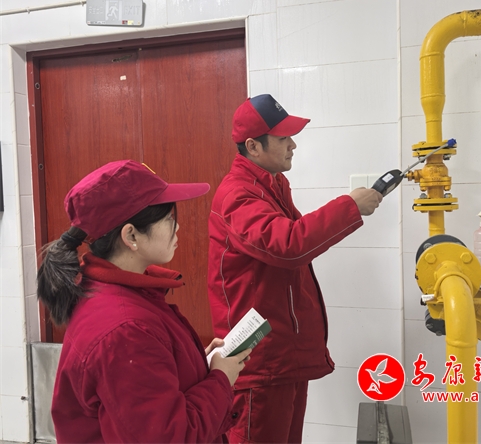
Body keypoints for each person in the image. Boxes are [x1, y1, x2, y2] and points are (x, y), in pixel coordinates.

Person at [207, 94, 383, 443]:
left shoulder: (272, 185)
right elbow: (289, 245)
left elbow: (298, 240)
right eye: (284, 138)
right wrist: (349, 206)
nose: (293, 145)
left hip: (282, 354)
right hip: (259, 360)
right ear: (253, 146)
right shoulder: (237, 196)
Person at [37, 160, 251, 443]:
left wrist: (195, 363)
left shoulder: (116, 294)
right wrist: (221, 380)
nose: (178, 227)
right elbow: (168, 436)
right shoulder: (125, 328)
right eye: (169, 219)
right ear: (131, 235)